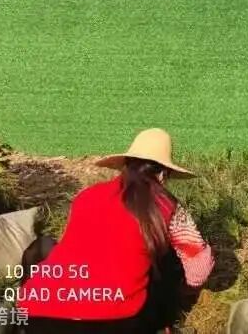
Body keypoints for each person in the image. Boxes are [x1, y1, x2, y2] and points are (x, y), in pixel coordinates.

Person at [17, 128, 215, 333]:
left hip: (37, 314)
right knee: (168, 264)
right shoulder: (166, 206)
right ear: (164, 174)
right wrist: (184, 292)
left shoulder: (87, 195)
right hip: (111, 321)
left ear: (125, 166)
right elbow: (199, 268)